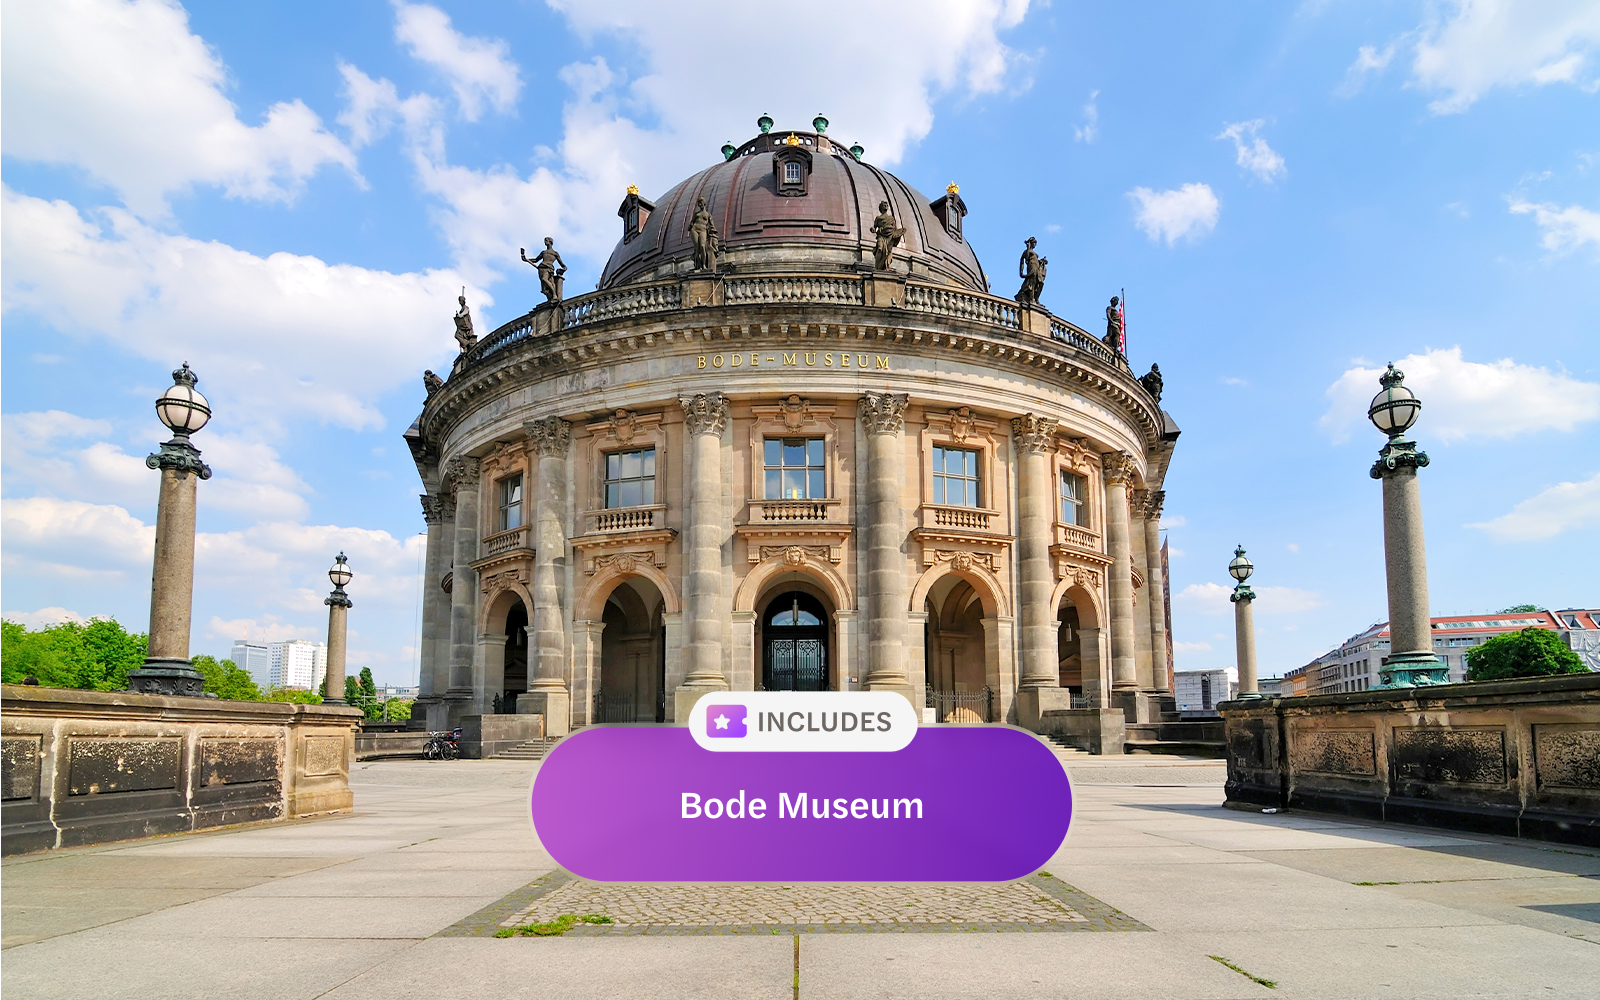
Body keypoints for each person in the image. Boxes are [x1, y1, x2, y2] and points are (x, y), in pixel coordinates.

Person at [521, 238, 567, 304]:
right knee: (544, 289)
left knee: (544, 279)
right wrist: (526, 259)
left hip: (549, 268)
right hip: (541, 268)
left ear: (550, 242)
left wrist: (563, 269)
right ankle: (550, 298)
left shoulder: (555, 253)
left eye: (546, 241)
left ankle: (554, 294)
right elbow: (536, 260)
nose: (545, 242)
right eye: (545, 241)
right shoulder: (544, 252)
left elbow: (562, 264)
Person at [871, 201, 904, 270]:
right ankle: (877, 266)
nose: (886, 206)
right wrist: (873, 229)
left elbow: (895, 229)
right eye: (884, 205)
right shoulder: (878, 218)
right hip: (881, 235)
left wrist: (897, 235)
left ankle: (886, 265)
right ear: (881, 207)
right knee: (880, 248)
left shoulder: (891, 218)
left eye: (886, 205)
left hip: (889, 236)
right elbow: (874, 227)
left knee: (888, 251)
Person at [688, 197, 719, 271]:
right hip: (694, 229)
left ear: (704, 203)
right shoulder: (696, 214)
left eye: (701, 202)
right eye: (699, 203)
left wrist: (713, 233)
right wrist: (690, 226)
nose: (700, 204)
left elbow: (712, 225)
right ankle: (698, 265)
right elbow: (691, 223)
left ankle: (704, 265)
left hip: (703, 230)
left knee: (702, 246)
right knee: (697, 248)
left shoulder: (708, 214)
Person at [1016, 237, 1045, 305]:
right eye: (1034, 243)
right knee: (1032, 282)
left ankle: (1036, 298)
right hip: (1032, 267)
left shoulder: (1032, 252)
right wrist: (1021, 272)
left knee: (1040, 283)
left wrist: (1041, 262)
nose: (1035, 244)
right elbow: (1022, 261)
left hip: (1037, 268)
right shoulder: (1027, 251)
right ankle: (1032, 299)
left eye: (1035, 243)